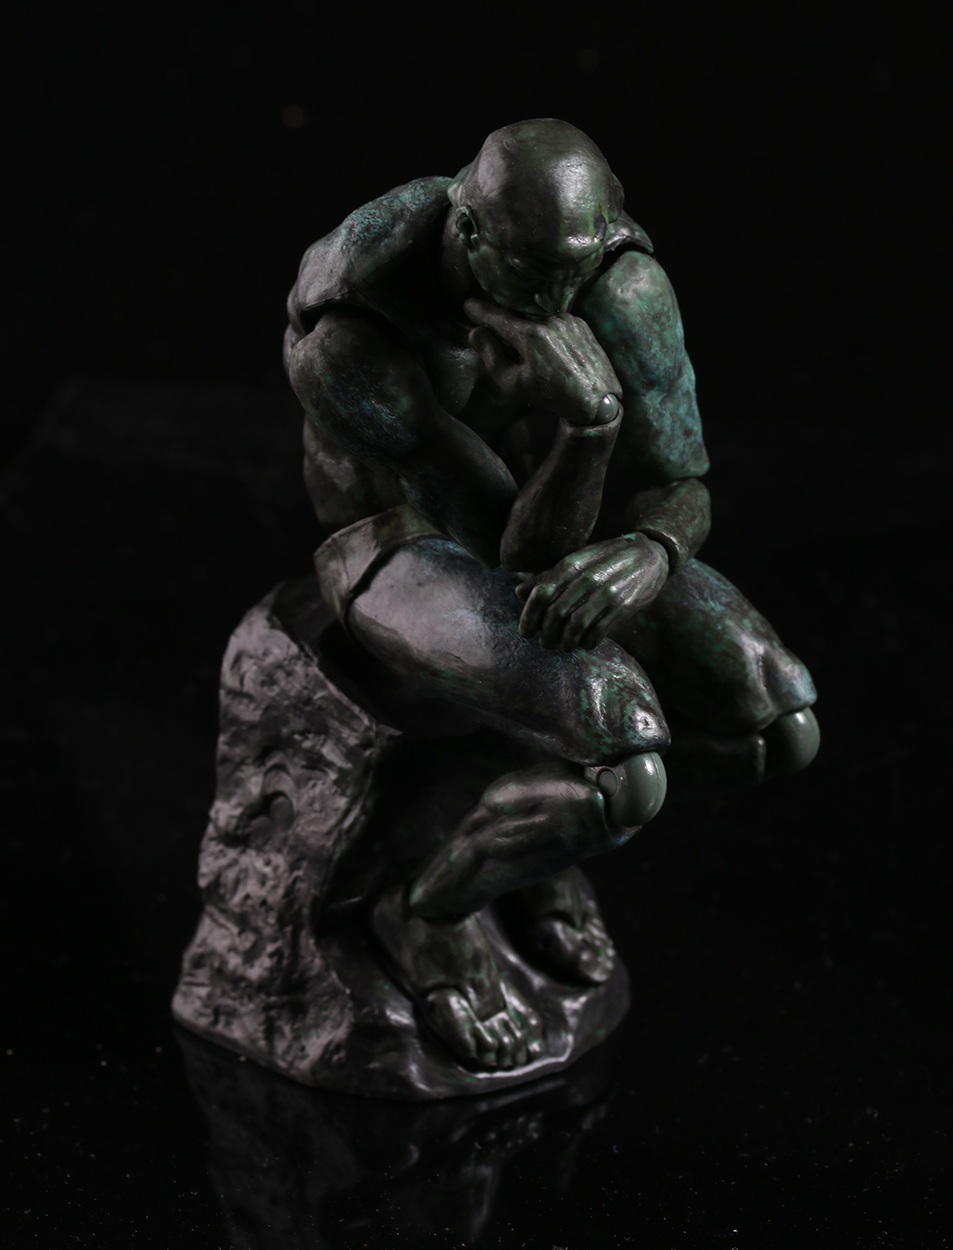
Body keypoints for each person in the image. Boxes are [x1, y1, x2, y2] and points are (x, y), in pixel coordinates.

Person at [285, 119, 818, 1072]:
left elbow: (683, 483)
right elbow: (509, 550)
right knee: (626, 765)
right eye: (532, 272)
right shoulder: (351, 327)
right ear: (469, 229)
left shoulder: (619, 279)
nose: (557, 299)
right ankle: (430, 914)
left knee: (778, 724)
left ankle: (533, 843)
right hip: (398, 543)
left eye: (576, 268)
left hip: (557, 518)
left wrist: (651, 548)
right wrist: (588, 430)